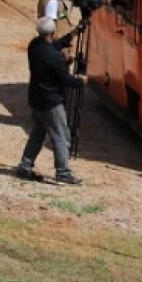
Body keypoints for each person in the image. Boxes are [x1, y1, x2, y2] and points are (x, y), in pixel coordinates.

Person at [16, 17, 87, 185]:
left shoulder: (34, 45)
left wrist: (74, 33)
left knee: (37, 134)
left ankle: (25, 166)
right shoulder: (53, 57)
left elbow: (56, 45)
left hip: (36, 98)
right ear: (52, 32)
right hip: (51, 102)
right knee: (61, 136)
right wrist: (83, 80)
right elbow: (67, 80)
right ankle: (62, 172)